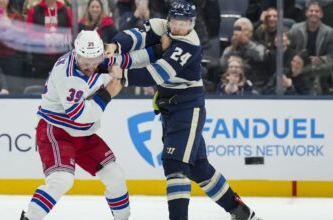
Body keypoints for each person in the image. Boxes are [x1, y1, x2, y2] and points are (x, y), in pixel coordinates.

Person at [105, 0, 262, 219]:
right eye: (176, 21)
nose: (180, 26)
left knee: (174, 164)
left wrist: (122, 74)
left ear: (193, 23)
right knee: (198, 168)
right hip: (171, 107)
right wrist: (115, 47)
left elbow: (156, 74)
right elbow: (137, 36)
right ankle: (241, 212)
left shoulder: (188, 44)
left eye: (186, 22)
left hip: (188, 108)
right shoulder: (162, 26)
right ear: (169, 19)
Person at [20, 30, 130, 220]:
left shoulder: (93, 59)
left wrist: (119, 67)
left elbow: (116, 61)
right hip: (56, 131)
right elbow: (81, 116)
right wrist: (108, 92)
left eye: (95, 60)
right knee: (61, 180)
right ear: (75, 54)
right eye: (84, 61)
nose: (90, 66)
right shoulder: (69, 76)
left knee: (116, 176)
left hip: (83, 135)